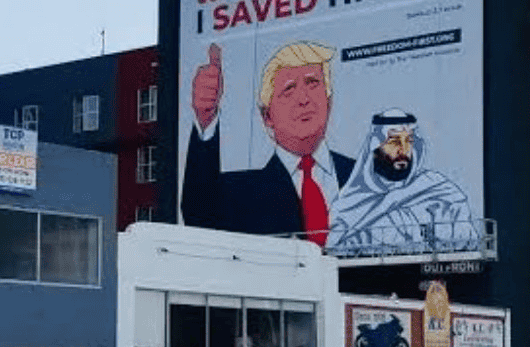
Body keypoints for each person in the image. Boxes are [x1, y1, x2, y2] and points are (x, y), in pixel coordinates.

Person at [180, 41, 354, 243]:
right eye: (289, 89)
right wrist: (206, 120)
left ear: (329, 100)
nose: (303, 99)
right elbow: (199, 214)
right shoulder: (243, 192)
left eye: (312, 83)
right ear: (267, 116)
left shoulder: (365, 174)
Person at [327, 109, 477, 254]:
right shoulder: (350, 203)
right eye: (394, 141)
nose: (403, 150)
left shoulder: (439, 191)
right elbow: (335, 248)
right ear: (375, 146)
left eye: (408, 141)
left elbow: (465, 243)